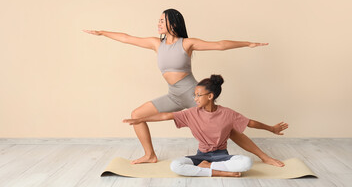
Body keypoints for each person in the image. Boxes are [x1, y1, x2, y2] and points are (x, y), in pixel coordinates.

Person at [83, 8, 286, 165]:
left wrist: (247, 44)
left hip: (192, 94)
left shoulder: (187, 43)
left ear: (173, 22)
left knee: (229, 129)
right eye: (158, 20)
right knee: (137, 115)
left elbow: (220, 45)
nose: (158, 23)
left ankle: (264, 156)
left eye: (162, 20)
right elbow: (127, 38)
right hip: (173, 96)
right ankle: (150, 155)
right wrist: (102, 33)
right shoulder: (156, 43)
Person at [123, 75, 287, 177]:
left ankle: (208, 169)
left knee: (246, 163)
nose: (195, 99)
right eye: (194, 95)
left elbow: (250, 123)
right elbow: (166, 115)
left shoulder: (228, 114)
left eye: (198, 95)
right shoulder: (191, 113)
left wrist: (272, 129)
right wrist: (141, 119)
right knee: (175, 166)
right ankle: (218, 172)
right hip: (201, 157)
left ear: (210, 96)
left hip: (222, 156)